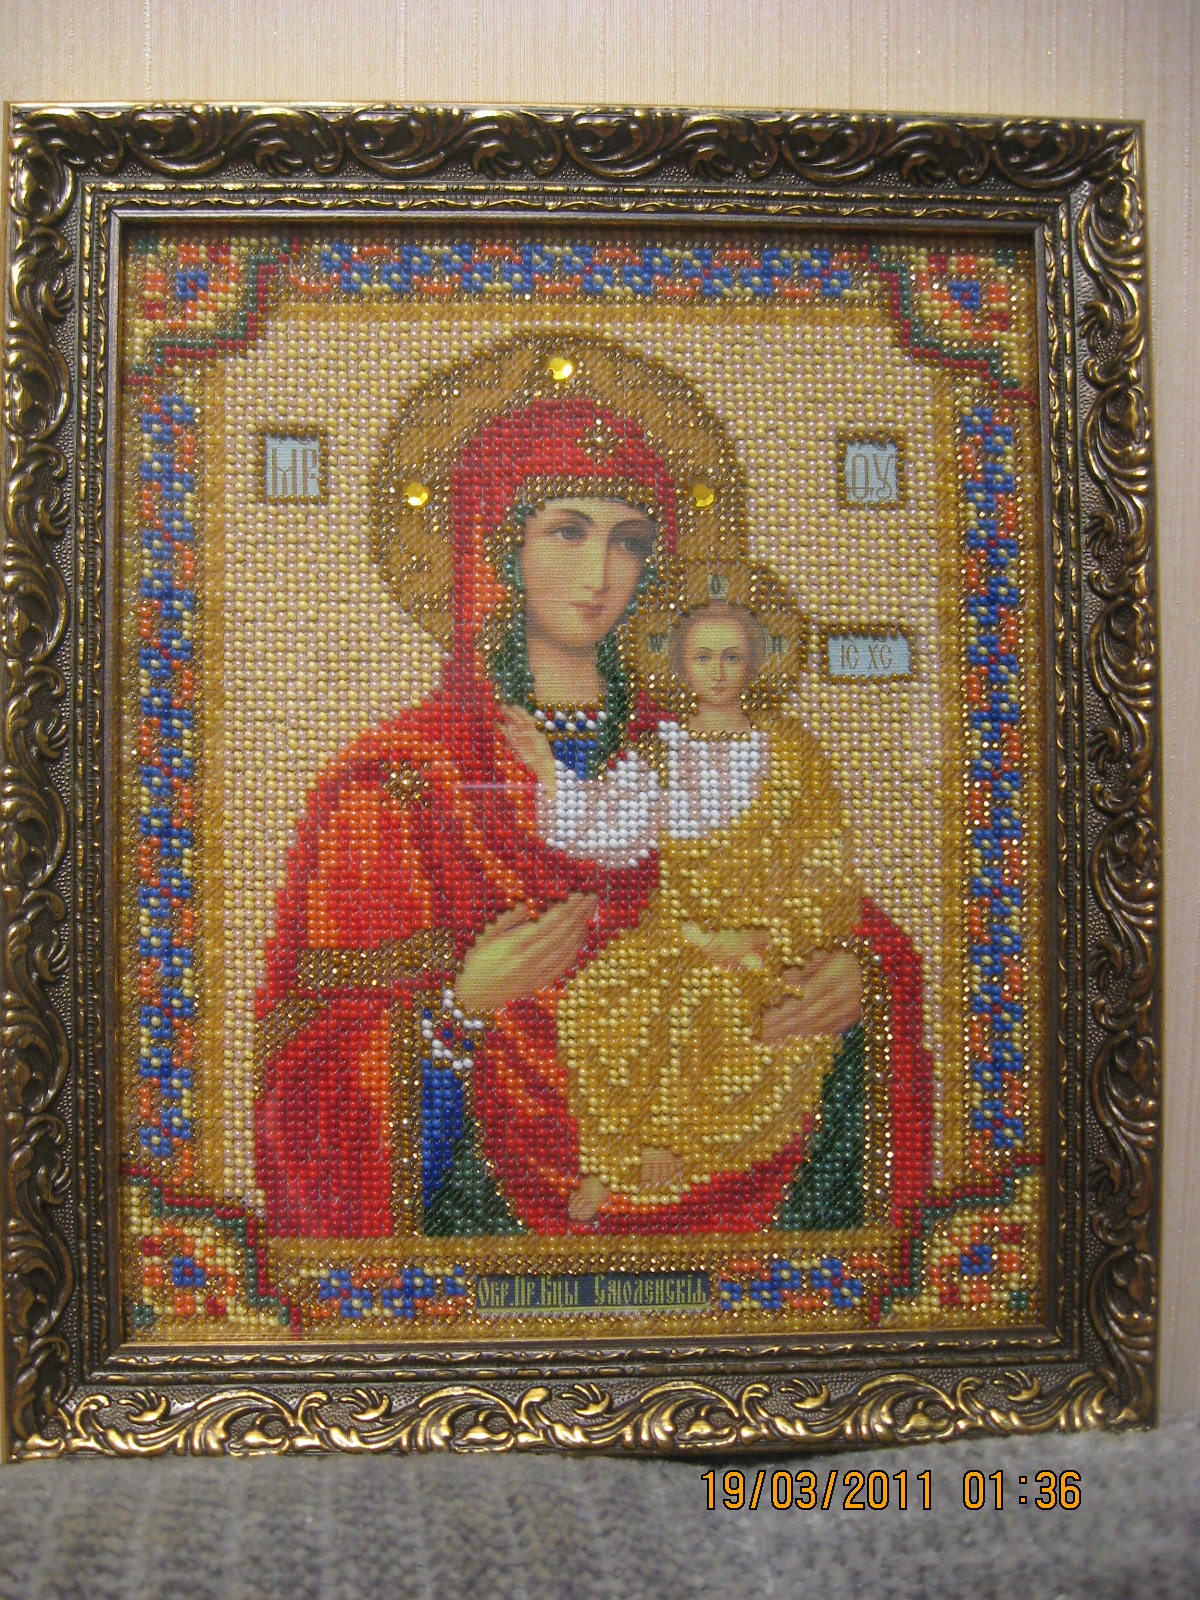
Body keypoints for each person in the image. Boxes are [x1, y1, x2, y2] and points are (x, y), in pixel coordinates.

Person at [253, 337, 932, 1238]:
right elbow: (307, 1071)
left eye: (630, 541)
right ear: (496, 548)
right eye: (567, 531)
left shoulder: (709, 753)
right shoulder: (398, 785)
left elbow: (817, 896)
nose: (601, 574)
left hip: (735, 1128)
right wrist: (462, 1008)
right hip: (485, 1214)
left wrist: (852, 981)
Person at [505, 598, 863, 1222]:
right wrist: (547, 769)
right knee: (594, 1002)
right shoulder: (663, 755)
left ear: (755, 664)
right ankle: (608, 1159)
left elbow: (824, 864)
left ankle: (669, 1152)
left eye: (732, 657)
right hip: (675, 934)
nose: (718, 672)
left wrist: (768, 937)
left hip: (760, 947)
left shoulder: (791, 755)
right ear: (680, 665)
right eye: (703, 657)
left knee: (705, 1006)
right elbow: (607, 826)